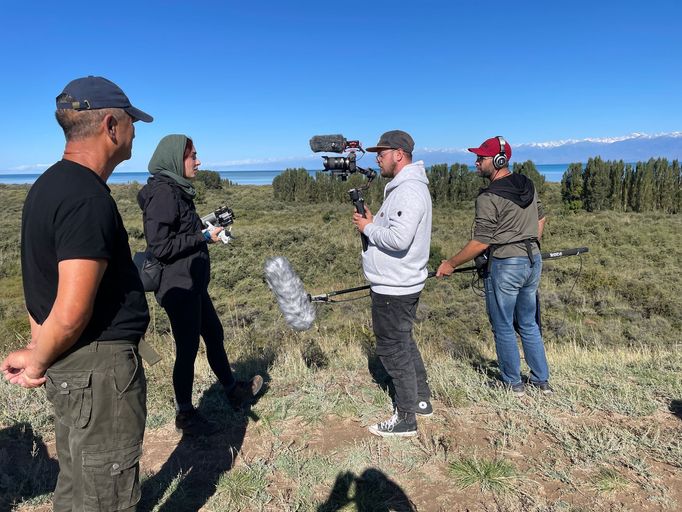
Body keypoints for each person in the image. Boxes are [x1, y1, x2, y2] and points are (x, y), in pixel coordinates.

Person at [1, 76, 153, 511]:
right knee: (105, 493)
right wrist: (37, 360)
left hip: (74, 370)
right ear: (110, 125)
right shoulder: (88, 198)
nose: (135, 132)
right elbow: (69, 312)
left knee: (77, 482)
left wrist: (38, 347)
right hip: (98, 371)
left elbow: (38, 287)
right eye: (131, 122)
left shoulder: (47, 187)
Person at [137, 134, 263, 436]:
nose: (198, 161)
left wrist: (203, 228)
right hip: (177, 287)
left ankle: (234, 391)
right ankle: (185, 414)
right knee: (188, 349)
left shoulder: (177, 190)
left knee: (214, 335)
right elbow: (160, 245)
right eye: (192, 155)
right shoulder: (164, 193)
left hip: (191, 283)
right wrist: (203, 237)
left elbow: (181, 230)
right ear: (174, 159)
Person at [436, 136, 551, 396]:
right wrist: (531, 242)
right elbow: (541, 217)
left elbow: (481, 241)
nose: (476, 162)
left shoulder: (489, 197)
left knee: (503, 325)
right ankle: (541, 381)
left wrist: (451, 264)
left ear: (498, 160)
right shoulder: (528, 184)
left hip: (506, 264)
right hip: (533, 261)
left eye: (481, 158)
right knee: (528, 323)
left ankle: (512, 383)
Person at [352, 130, 433, 437]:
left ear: (399, 154)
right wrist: (375, 221)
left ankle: (406, 418)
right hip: (400, 281)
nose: (377, 158)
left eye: (382, 153)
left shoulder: (409, 190)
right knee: (404, 342)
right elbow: (398, 229)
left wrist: (369, 227)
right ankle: (421, 400)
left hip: (394, 286)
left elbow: (399, 240)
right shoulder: (403, 188)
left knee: (392, 350)